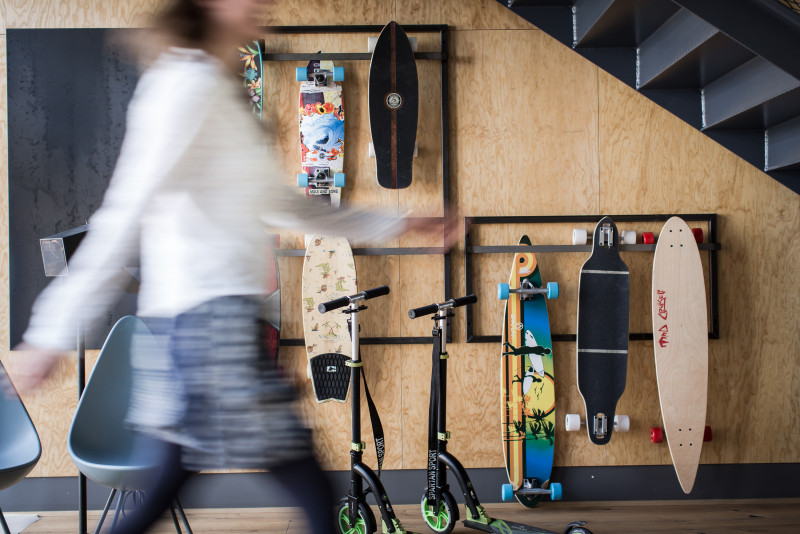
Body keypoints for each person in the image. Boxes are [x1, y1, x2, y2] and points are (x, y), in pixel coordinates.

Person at [12, 0, 458, 532]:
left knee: (175, 477)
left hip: (211, 322)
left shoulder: (217, 91)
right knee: (303, 478)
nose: (260, 3)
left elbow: (282, 205)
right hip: (209, 322)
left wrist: (400, 224)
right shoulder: (184, 88)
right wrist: (50, 332)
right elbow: (124, 214)